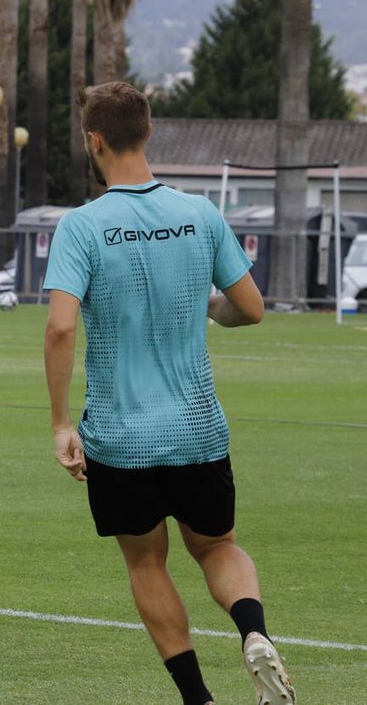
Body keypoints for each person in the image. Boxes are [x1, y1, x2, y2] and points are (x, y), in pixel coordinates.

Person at [43, 81, 294, 705]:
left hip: (121, 437)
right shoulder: (200, 212)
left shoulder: (83, 225)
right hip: (197, 426)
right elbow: (250, 309)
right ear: (148, 132)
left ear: (92, 140)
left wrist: (58, 423)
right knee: (217, 546)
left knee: (147, 563)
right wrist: (205, 309)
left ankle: (198, 698)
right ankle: (254, 634)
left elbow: (61, 326)